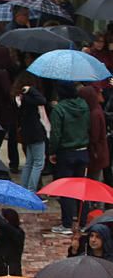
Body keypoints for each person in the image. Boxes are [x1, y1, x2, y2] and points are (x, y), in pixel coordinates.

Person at [49, 82, 91, 235]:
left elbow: (55, 134)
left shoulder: (59, 109)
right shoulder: (84, 106)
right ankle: (83, 221)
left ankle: (67, 223)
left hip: (66, 152)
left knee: (65, 188)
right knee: (82, 189)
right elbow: (88, 126)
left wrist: (52, 151)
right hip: (83, 150)